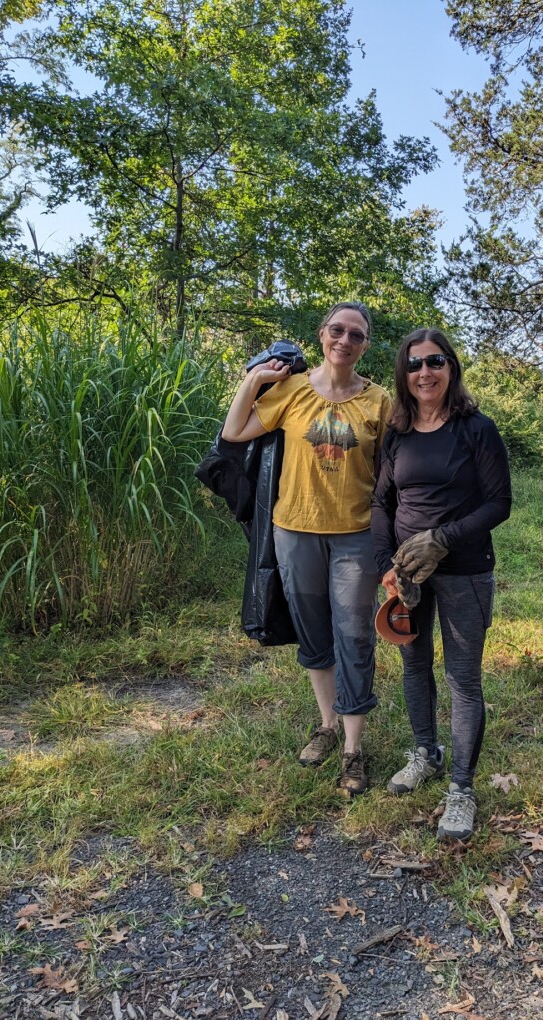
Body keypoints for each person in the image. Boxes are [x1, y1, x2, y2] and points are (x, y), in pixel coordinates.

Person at [222, 302, 391, 794]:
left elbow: (391, 474)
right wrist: (253, 381)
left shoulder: (379, 402)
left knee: (355, 637)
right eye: (336, 330)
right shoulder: (291, 392)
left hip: (356, 536)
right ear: (321, 335)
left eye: (355, 335)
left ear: (365, 345)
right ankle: (326, 723)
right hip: (294, 530)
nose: (345, 340)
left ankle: (353, 749)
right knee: (314, 633)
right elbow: (234, 432)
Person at [371, 328, 512, 840]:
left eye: (434, 362)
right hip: (407, 574)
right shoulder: (399, 434)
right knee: (413, 662)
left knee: (462, 678)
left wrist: (443, 539)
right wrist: (388, 560)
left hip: (464, 570)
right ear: (403, 375)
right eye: (414, 365)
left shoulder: (477, 429)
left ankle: (461, 788)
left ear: (450, 368)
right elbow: (382, 502)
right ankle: (424, 753)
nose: (424, 373)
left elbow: (499, 503)